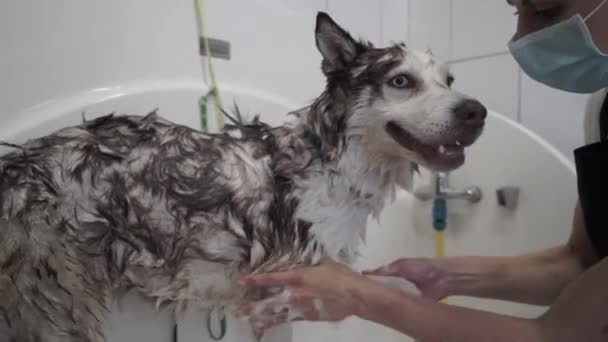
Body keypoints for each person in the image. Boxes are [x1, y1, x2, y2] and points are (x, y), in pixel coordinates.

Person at [234, 0, 608, 341]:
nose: (521, 36)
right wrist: (447, 276)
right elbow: (580, 263)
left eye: (545, 10)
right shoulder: (602, 109)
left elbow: (563, 336)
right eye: (516, 11)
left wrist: (360, 297)